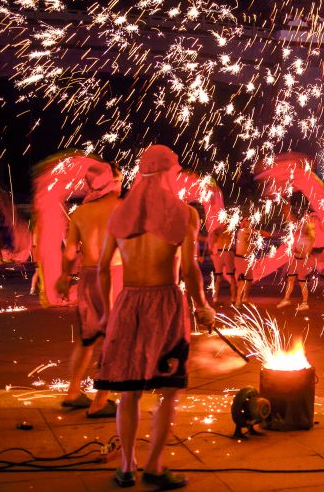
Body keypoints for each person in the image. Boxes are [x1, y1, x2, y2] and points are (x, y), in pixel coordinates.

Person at [95, 145, 215, 490]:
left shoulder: (118, 216)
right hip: (165, 303)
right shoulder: (184, 213)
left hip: (128, 303)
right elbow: (190, 270)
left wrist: (106, 312)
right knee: (167, 391)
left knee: (127, 393)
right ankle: (155, 466)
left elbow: (103, 269)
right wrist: (203, 306)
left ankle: (126, 466)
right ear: (167, 173)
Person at [55, 166, 122, 418]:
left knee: (87, 338)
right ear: (113, 182)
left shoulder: (80, 213)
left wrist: (64, 277)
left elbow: (70, 252)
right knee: (113, 340)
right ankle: (100, 401)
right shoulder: (122, 208)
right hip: (114, 275)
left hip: (87, 277)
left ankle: (73, 392)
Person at [277, 198, 316, 312]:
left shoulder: (310, 238)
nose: (303, 224)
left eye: (305, 223)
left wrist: (297, 252)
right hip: (294, 260)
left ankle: (305, 303)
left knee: (302, 282)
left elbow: (307, 252)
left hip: (302, 261)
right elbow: (292, 220)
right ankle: (286, 299)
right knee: (290, 280)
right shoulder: (299, 232)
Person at [208, 225, 238, 305]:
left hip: (228, 252)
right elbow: (212, 238)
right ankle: (215, 299)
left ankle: (233, 299)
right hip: (219, 253)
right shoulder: (217, 230)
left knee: (232, 276)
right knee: (218, 277)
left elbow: (227, 235)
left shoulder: (231, 230)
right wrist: (211, 248)